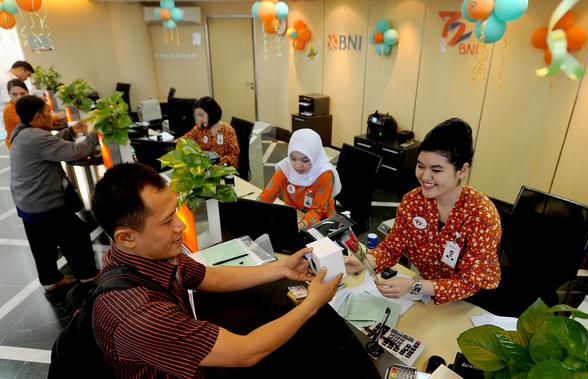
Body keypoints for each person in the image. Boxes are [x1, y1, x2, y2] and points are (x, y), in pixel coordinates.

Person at [90, 163, 342, 378]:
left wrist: (282, 268)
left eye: (175, 212)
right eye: (167, 221)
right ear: (126, 237)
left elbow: (208, 275)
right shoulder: (137, 315)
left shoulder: (146, 256)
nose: (179, 226)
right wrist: (311, 304)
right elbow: (246, 352)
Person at [344, 118, 501, 304]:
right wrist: (366, 261)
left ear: (462, 170)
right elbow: (392, 247)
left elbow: (470, 282)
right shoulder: (413, 201)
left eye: (436, 169)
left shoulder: (482, 215)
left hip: (471, 302)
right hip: (428, 293)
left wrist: (414, 286)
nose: (425, 176)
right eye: (420, 166)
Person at [9, 95, 99, 291]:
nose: (52, 114)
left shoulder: (22, 132)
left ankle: (50, 281)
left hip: (26, 201)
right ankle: (88, 276)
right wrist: (94, 133)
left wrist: (69, 131)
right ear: (38, 116)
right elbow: (75, 152)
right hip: (44, 203)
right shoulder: (36, 137)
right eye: (47, 111)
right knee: (76, 235)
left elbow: (50, 145)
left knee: (41, 244)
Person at [258, 128, 342, 230]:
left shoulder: (325, 174)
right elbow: (267, 196)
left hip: (323, 222)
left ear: (314, 156)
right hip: (295, 217)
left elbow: (317, 211)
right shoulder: (286, 168)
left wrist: (301, 225)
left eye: (305, 160)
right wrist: (254, 209)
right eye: (293, 158)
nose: (298, 165)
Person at [4, 79, 64, 149]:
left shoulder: (26, 105)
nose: (19, 97)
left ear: (27, 92)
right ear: (9, 94)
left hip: (29, 139)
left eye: (22, 93)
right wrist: (57, 117)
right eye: (14, 94)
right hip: (19, 145)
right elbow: (32, 122)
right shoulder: (9, 109)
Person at [181, 96, 239, 167]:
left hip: (222, 170)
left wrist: (214, 161)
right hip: (203, 168)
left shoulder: (227, 130)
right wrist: (169, 143)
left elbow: (234, 156)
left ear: (212, 113)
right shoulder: (199, 128)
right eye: (198, 116)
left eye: (202, 115)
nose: (199, 119)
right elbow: (185, 139)